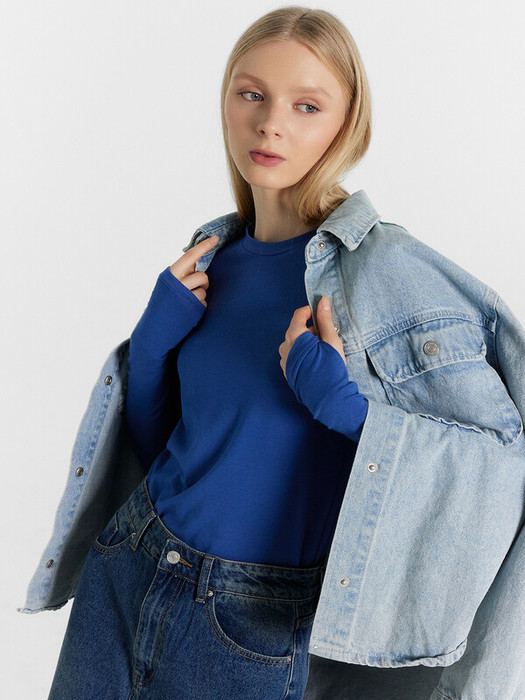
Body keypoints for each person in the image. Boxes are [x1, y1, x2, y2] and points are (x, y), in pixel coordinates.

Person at [19, 6, 525, 700]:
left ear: (347, 125)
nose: (270, 124)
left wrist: (348, 413)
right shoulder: (210, 260)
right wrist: (153, 346)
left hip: (254, 628)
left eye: (306, 105)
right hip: (128, 572)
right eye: (251, 93)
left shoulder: (392, 274)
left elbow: (501, 467)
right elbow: (169, 448)